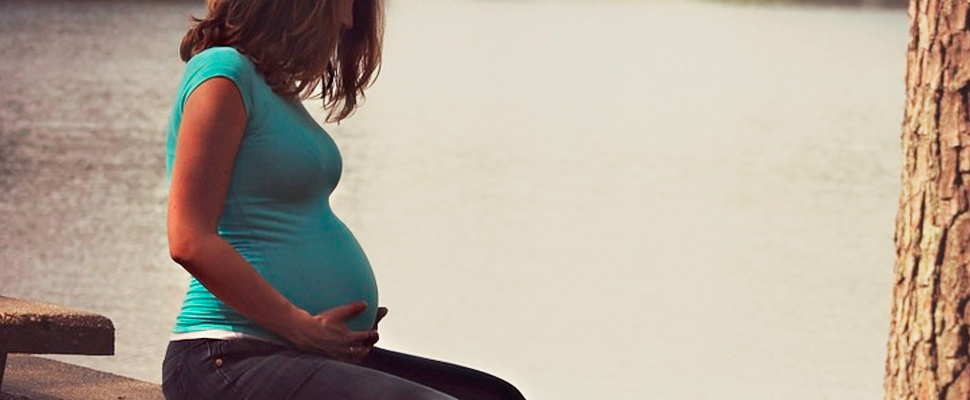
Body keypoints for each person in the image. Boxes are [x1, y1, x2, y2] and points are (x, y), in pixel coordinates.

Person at [160, 0, 527, 399]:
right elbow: (189, 239)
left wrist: (340, 314)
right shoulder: (222, 73)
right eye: (347, 2)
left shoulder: (270, 85)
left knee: (496, 396)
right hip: (227, 357)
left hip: (292, 350)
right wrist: (300, 325)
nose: (351, 19)